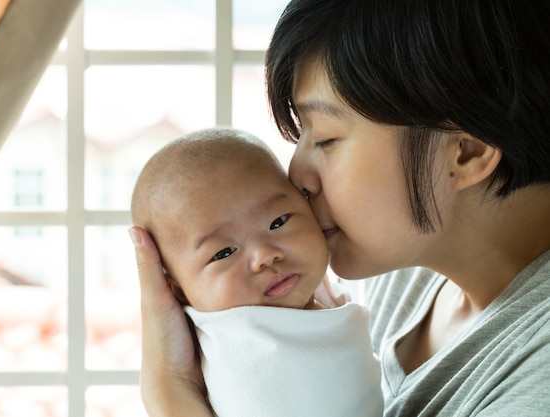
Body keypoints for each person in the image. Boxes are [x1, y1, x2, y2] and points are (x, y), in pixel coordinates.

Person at [129, 0, 550, 416]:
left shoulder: (535, 380)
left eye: (326, 138)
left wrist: (171, 393)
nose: (298, 177)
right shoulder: (411, 266)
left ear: (466, 151)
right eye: (301, 135)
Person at [129, 127, 383, 417]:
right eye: (223, 253)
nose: (265, 255)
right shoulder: (232, 337)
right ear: (176, 289)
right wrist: (169, 382)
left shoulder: (324, 292)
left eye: (278, 222)